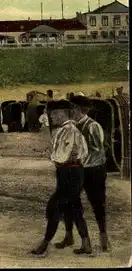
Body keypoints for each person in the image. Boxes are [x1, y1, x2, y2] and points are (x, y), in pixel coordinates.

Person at [31, 100, 91, 256]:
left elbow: (61, 156)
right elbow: (81, 152)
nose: (52, 116)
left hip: (70, 173)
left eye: (55, 113)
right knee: (74, 207)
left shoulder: (69, 131)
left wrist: (52, 156)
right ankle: (84, 242)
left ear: (63, 113)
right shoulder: (67, 130)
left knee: (54, 207)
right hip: (69, 172)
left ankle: (44, 243)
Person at [55, 96, 108, 251]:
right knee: (70, 203)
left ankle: (103, 238)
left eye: (73, 108)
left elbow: (98, 150)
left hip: (93, 170)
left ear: (80, 110)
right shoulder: (72, 126)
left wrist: (80, 159)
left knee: (97, 203)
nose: (71, 111)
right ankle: (70, 235)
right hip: (76, 170)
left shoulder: (93, 126)